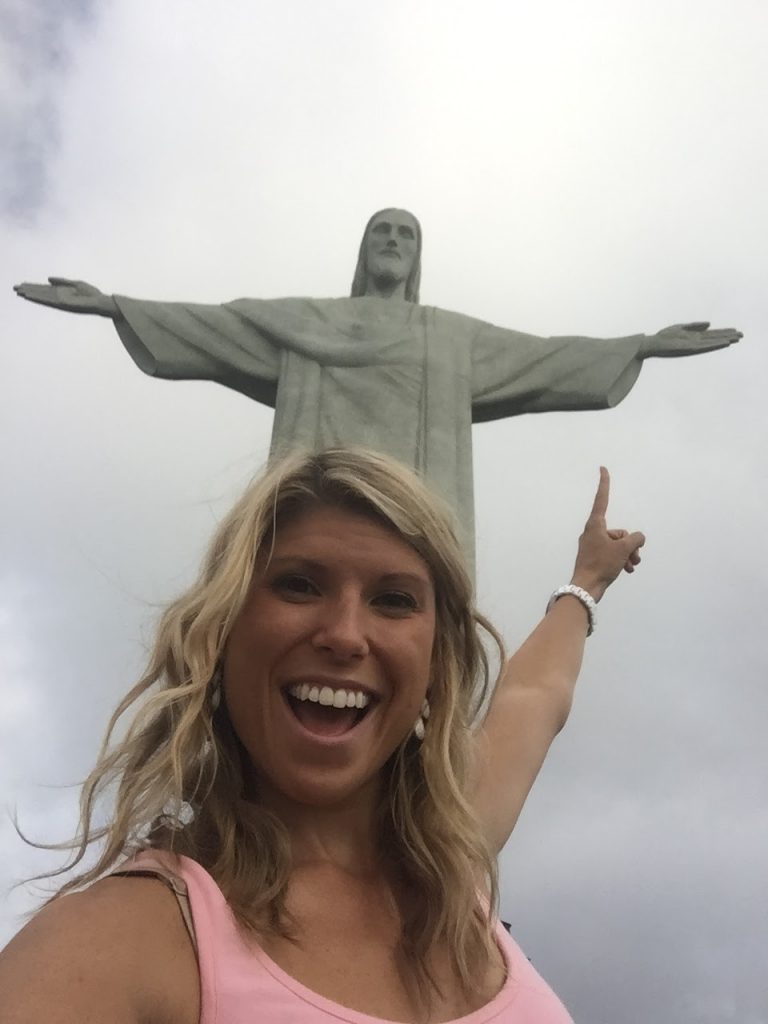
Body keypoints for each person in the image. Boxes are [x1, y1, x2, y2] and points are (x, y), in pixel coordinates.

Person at [0, 447, 643, 1023]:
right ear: (222, 632)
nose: (344, 634)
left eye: (393, 600)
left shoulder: (455, 863)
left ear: (435, 662)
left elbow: (534, 697)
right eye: (299, 585)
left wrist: (586, 581)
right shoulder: (130, 939)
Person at [13, 207, 737, 564]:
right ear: (363, 251)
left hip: (415, 537)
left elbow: (544, 358)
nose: (392, 241)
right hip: (310, 526)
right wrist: (114, 305)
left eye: (406, 234)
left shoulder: (449, 338)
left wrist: (641, 345)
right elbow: (215, 328)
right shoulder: (307, 320)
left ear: (417, 257)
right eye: (381, 232)